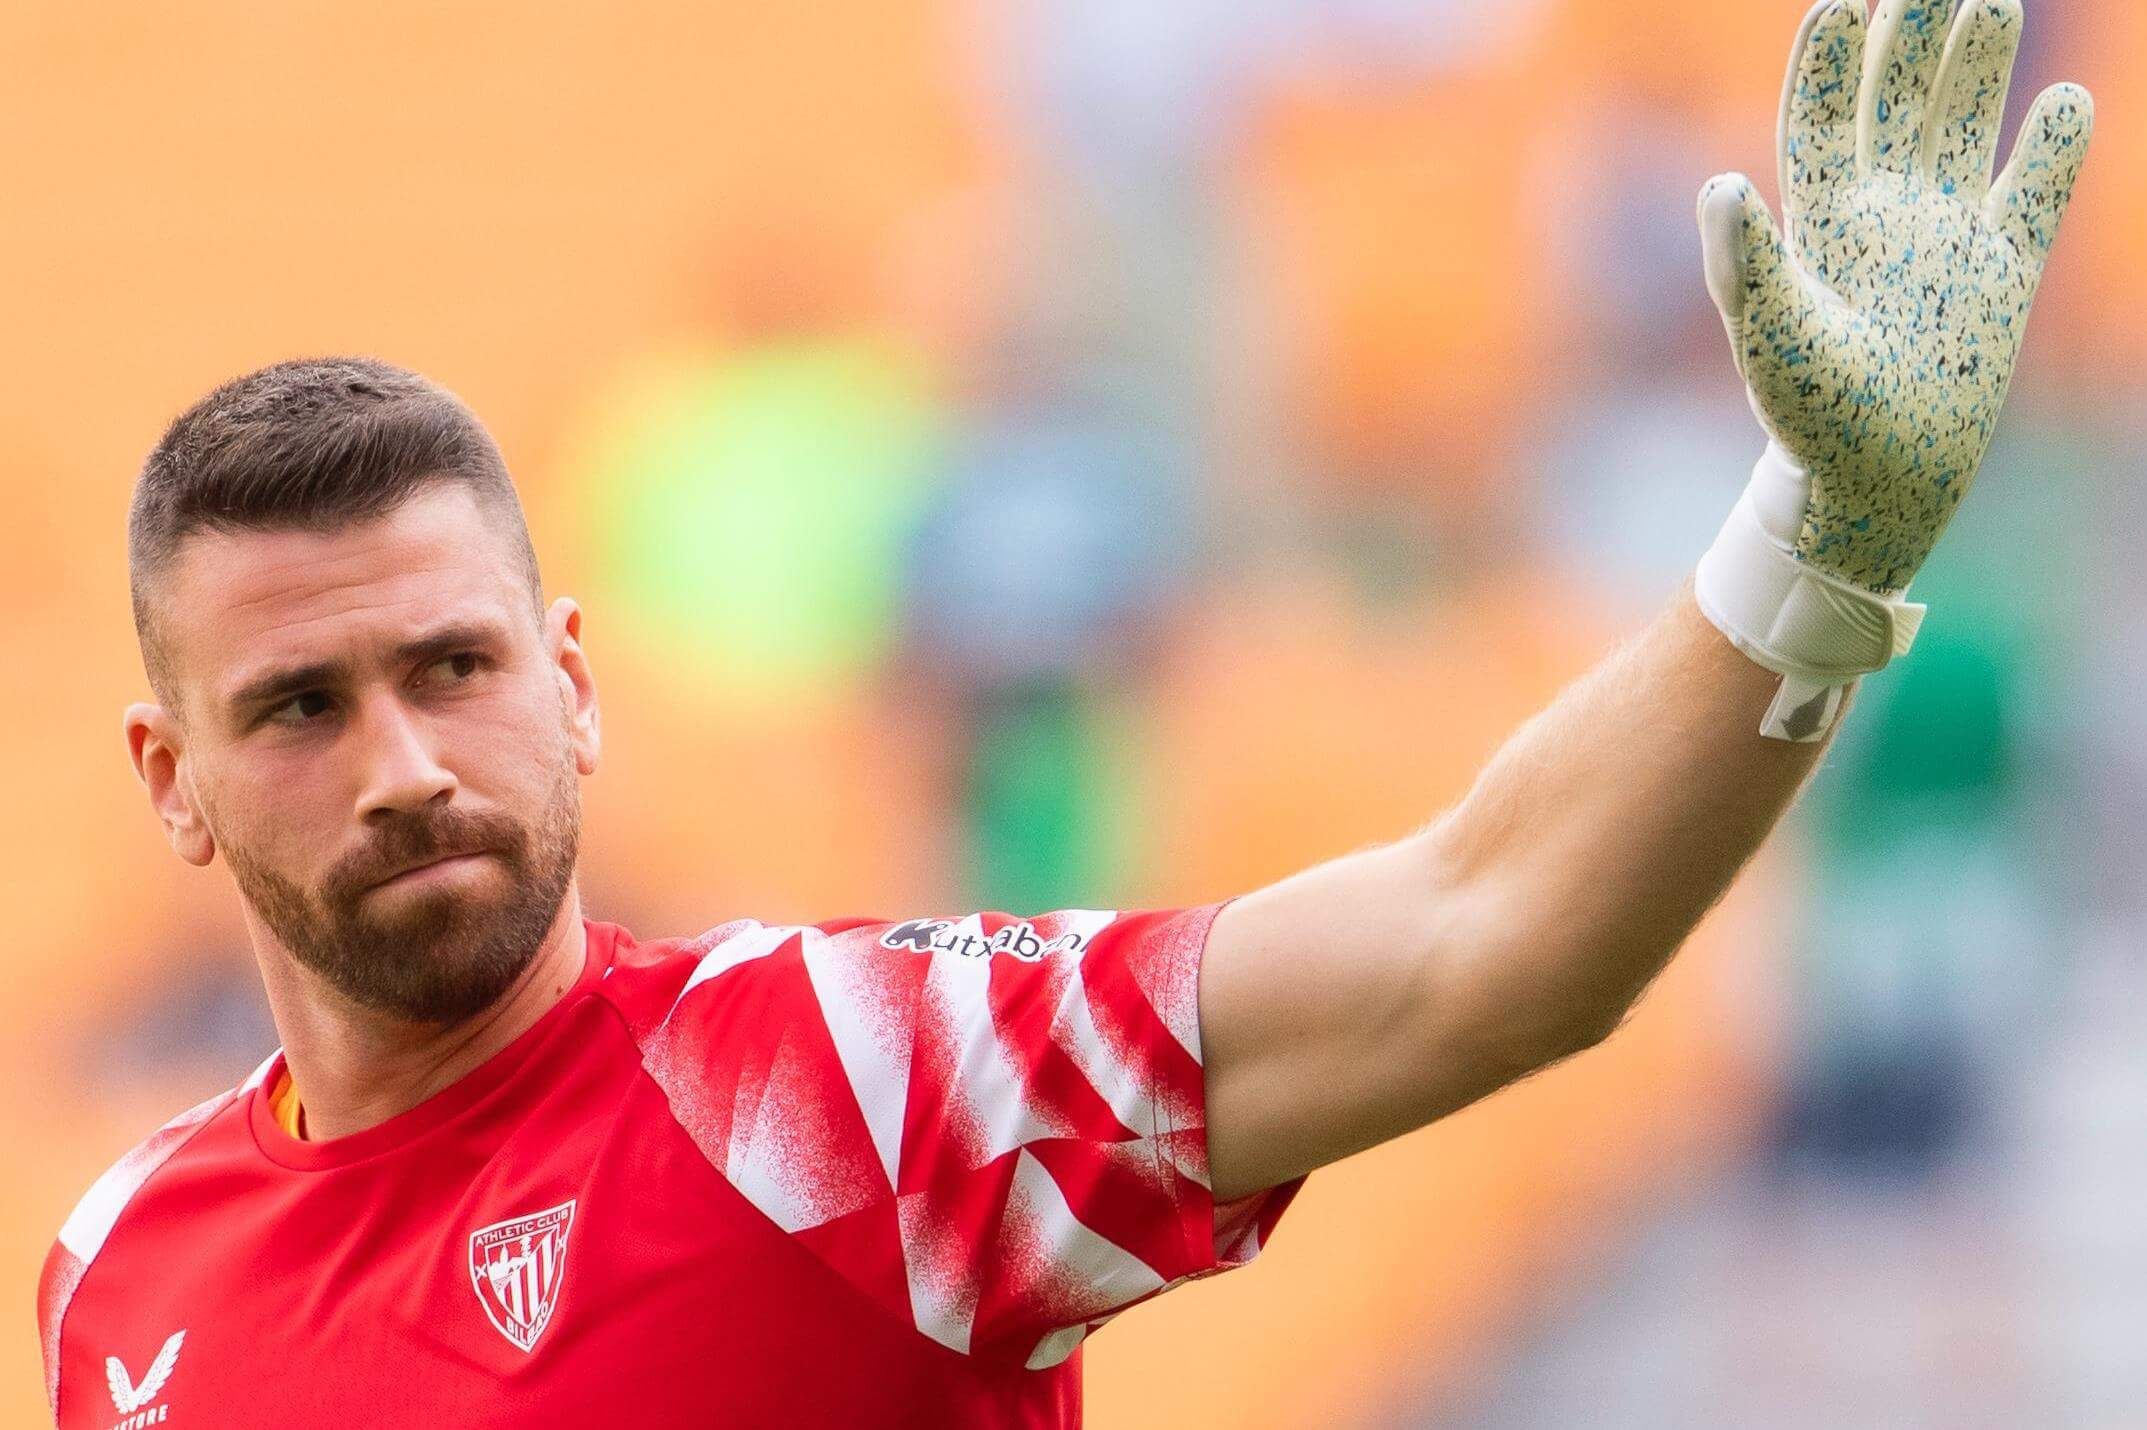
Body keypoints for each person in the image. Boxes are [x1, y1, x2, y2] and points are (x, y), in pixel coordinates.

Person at [37, 1, 2090, 1424]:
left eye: (455, 668)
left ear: (572, 683)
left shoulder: (840, 1085)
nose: (403, 764)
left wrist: (1812, 543)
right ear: (175, 782)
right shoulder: (121, 1272)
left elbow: (1489, 941)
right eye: (301, 706)